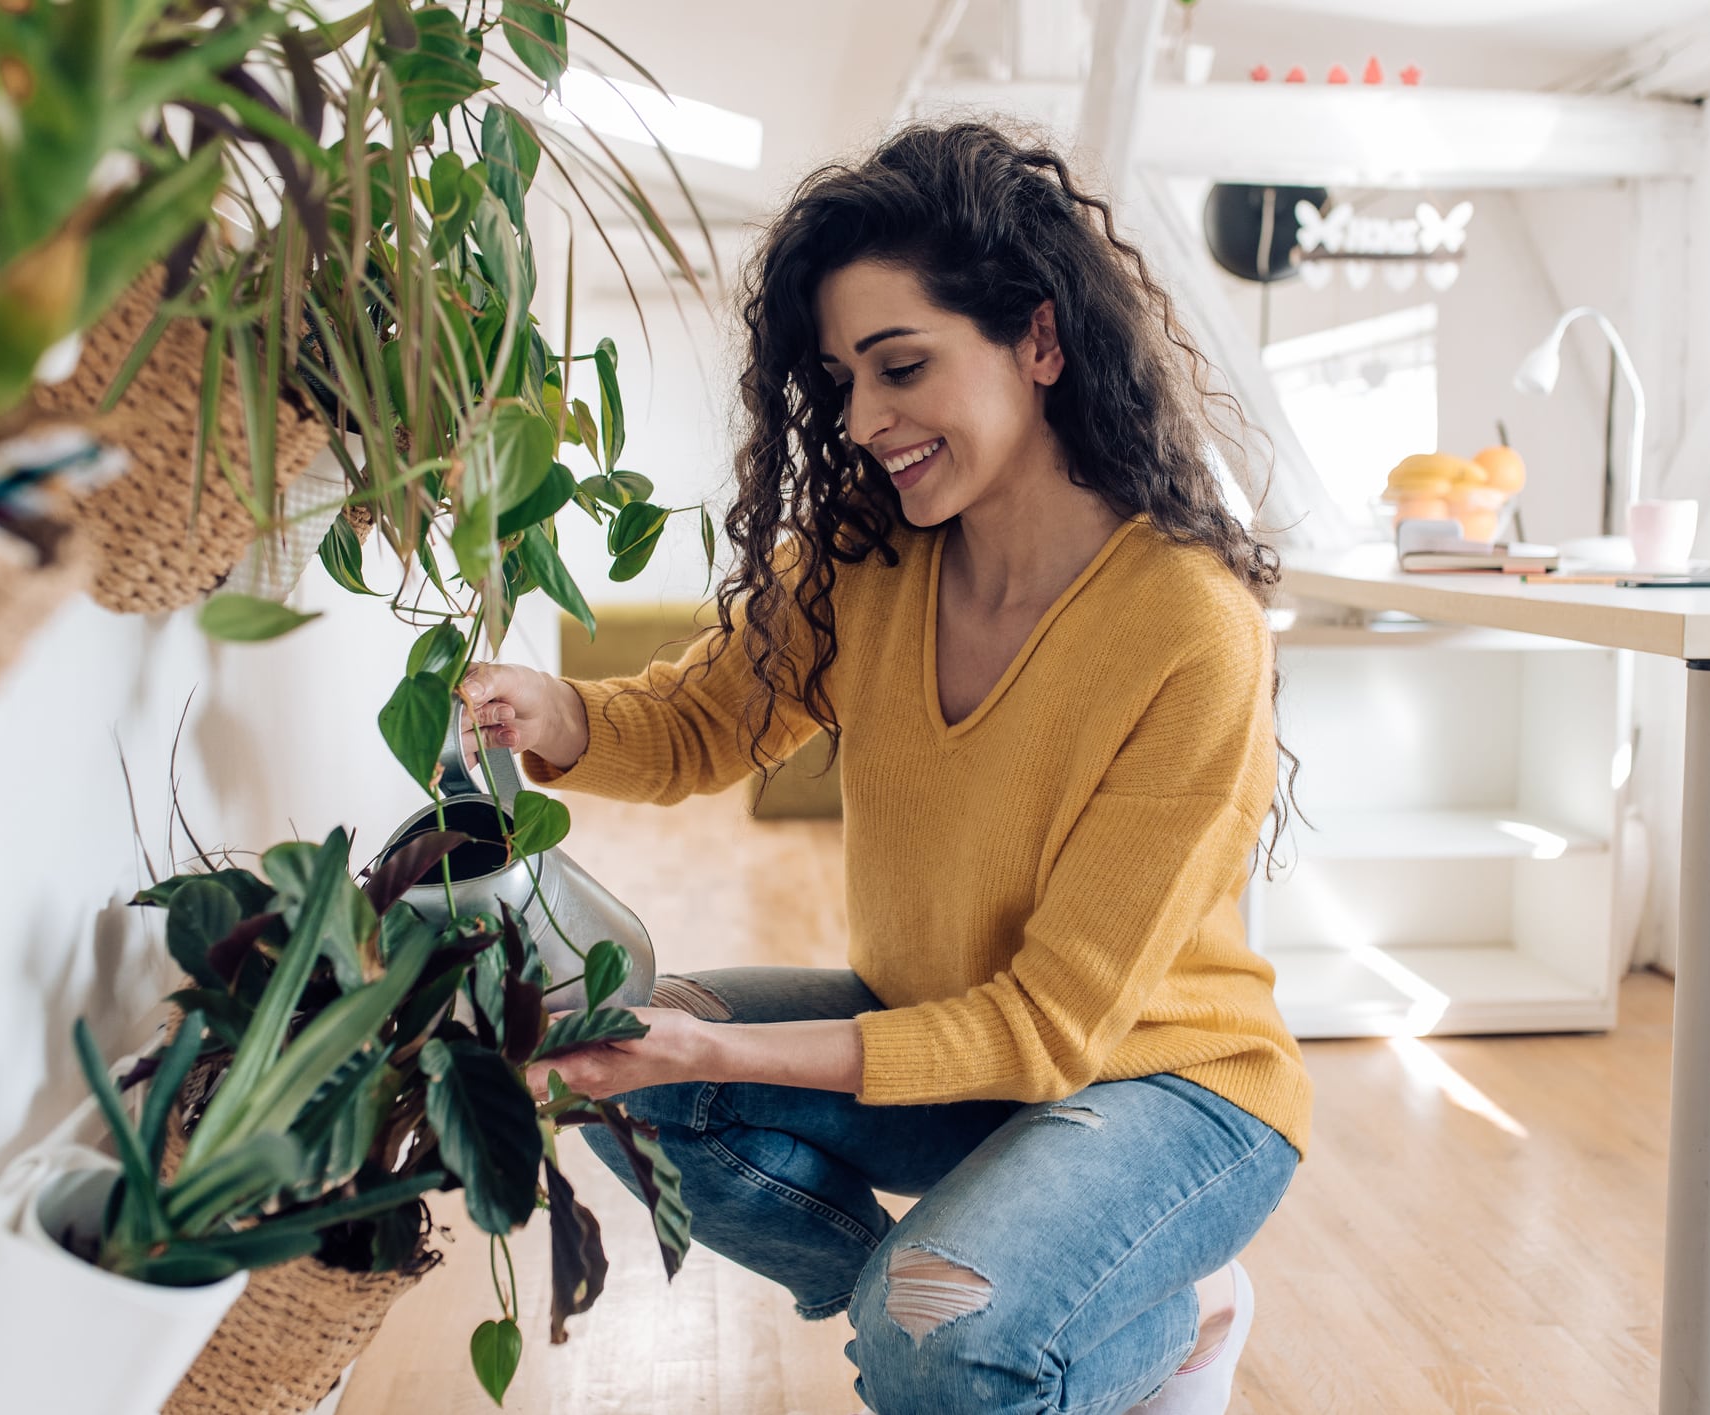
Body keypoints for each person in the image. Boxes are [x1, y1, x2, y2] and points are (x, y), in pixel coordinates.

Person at [459, 121, 1312, 1415]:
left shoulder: (1189, 627)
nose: (862, 420)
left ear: (1038, 339)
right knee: (619, 1063)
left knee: (935, 1330)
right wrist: (556, 714)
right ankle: (994, 1308)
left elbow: (1045, 1030)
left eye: (902, 366)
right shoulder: (868, 562)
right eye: (841, 378)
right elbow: (700, 726)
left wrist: (718, 1052)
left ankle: (1152, 1312)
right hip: (949, 1050)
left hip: (1163, 1087)